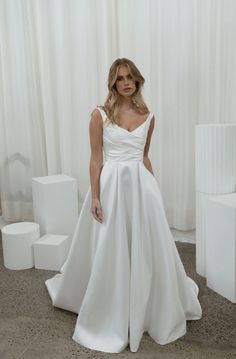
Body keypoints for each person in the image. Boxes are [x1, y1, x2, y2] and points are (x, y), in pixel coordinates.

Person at [45, 58, 202, 353]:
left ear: (137, 80)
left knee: (147, 246)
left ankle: (148, 304)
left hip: (142, 188)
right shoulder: (99, 115)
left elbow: (144, 157)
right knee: (111, 246)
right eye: (120, 78)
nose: (127, 82)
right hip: (111, 189)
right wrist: (94, 195)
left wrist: (153, 191)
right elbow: (96, 159)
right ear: (113, 83)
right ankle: (109, 307)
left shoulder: (149, 115)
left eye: (130, 77)